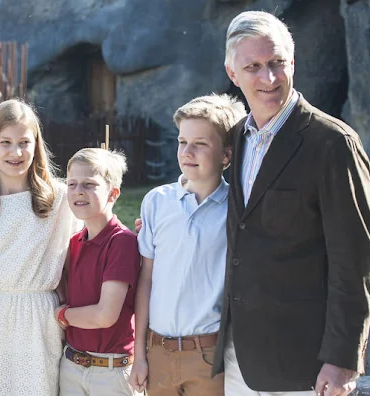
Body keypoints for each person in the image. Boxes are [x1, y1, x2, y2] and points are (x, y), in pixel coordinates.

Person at [211, 11, 370, 396]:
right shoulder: (237, 138)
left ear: (293, 63)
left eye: (277, 64)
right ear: (232, 73)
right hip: (240, 358)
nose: (268, 78)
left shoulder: (333, 144)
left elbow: (356, 263)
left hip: (307, 365)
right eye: (253, 66)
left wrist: (342, 359)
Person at [0, 99, 81, 395]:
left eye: (24, 142)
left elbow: (91, 241)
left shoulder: (60, 201)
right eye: (5, 142)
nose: (15, 152)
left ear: (35, 144)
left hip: (41, 317)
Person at [129, 94, 246, 396]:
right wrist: (140, 355)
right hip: (157, 353)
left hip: (209, 357)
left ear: (226, 155)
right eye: (182, 142)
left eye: (201, 143)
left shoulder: (238, 210)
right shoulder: (156, 201)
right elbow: (146, 281)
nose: (187, 152)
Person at [53, 148, 142, 396]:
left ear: (113, 193)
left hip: (111, 372)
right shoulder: (73, 243)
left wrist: (61, 315)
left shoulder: (122, 242)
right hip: (72, 365)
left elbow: (105, 315)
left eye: (89, 184)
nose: (78, 191)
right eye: (72, 184)